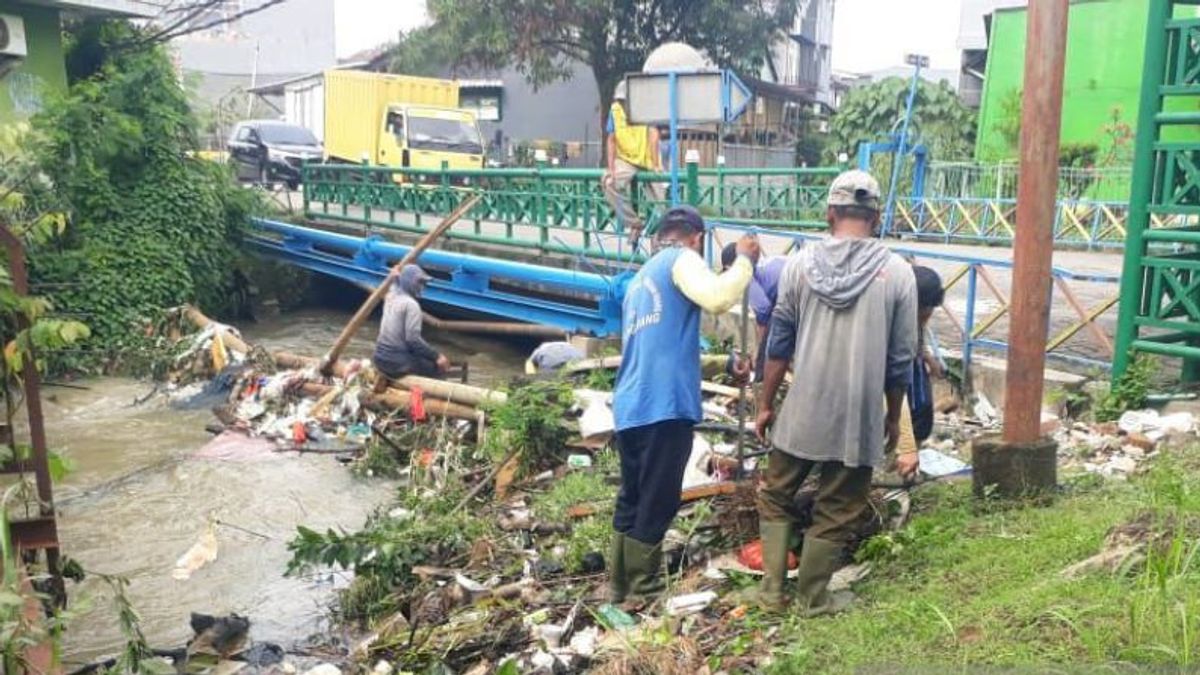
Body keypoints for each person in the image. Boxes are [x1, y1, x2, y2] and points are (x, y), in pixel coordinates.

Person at [752, 170, 919, 615]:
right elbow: (901, 361)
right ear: (876, 216)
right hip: (858, 414)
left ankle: (771, 593)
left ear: (830, 214)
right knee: (838, 505)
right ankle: (812, 597)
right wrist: (891, 415)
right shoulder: (899, 273)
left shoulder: (798, 265)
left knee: (775, 492)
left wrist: (766, 405)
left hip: (803, 409)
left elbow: (779, 343)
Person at [610, 205, 758, 607]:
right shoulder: (682, 259)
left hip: (630, 405)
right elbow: (717, 298)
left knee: (634, 496)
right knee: (658, 498)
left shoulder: (642, 279)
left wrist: (724, 364)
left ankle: (619, 587)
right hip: (664, 404)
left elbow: (664, 347)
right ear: (697, 237)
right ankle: (644, 591)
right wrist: (744, 260)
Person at [603, 79, 662, 249]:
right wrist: (611, 168)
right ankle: (635, 223)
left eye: (625, 101)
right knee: (609, 183)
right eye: (620, 101)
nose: (622, 104)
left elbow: (653, 134)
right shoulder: (615, 111)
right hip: (627, 159)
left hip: (647, 157)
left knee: (661, 200)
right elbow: (611, 139)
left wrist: (656, 164)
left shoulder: (644, 109)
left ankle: (659, 238)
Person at [373, 265, 449, 390]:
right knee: (436, 367)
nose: (422, 287)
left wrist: (395, 277)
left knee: (421, 356)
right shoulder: (411, 305)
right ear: (409, 282)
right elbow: (412, 340)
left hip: (380, 359)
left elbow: (396, 284)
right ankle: (432, 400)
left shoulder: (390, 297)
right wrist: (437, 356)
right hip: (396, 363)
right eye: (419, 282)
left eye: (423, 283)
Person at [721, 243, 788, 380]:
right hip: (804, 281)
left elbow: (763, 312)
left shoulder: (744, 276)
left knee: (770, 352)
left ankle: (763, 381)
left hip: (798, 292)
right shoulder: (759, 266)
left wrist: (759, 352)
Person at [909, 265, 945, 445]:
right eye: (927, 307)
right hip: (905, 377)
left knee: (920, 412)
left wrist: (930, 360)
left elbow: (919, 340)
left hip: (914, 369)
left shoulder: (916, 322)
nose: (929, 313)